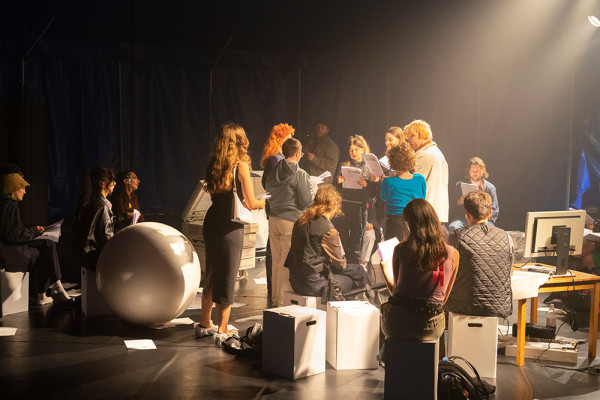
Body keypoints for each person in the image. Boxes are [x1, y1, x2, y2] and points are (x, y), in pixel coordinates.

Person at [197, 122, 266, 343]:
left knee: (212, 273)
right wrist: (264, 203)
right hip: (230, 224)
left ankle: (205, 323)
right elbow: (251, 203)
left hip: (212, 220)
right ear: (239, 141)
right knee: (227, 276)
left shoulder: (213, 165)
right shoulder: (241, 166)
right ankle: (223, 328)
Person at [380, 198, 459, 342]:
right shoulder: (453, 254)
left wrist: (385, 272)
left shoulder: (401, 249)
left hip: (399, 323)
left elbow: (395, 292)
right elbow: (442, 299)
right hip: (432, 326)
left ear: (409, 223)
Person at [285, 185, 374, 300]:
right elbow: (340, 265)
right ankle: (370, 300)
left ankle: (369, 297)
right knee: (354, 278)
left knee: (358, 270)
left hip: (295, 280)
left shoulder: (301, 221)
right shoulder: (328, 229)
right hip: (313, 284)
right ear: (335, 204)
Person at [0, 173, 71, 305]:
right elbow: (12, 235)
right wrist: (34, 231)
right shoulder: (10, 206)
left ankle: (49, 289)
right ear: (14, 188)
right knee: (45, 249)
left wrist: (35, 230)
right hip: (10, 252)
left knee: (47, 243)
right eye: (22, 188)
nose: (25, 192)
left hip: (10, 247)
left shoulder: (7, 204)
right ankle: (49, 288)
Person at [444, 191, 513, 318]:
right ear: (490, 213)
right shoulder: (506, 236)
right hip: (499, 306)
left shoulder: (456, 236)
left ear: (467, 214)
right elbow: (509, 270)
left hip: (462, 305)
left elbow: (447, 270)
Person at [264, 138, 314, 306]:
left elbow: (268, 192)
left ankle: (275, 299)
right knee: (287, 263)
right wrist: (313, 190)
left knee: (276, 261)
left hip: (273, 219)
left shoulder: (272, 172)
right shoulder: (300, 174)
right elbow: (306, 201)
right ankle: (283, 303)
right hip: (290, 221)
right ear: (298, 153)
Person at [260, 123, 295, 305]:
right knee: (273, 249)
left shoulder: (279, 158)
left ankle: (275, 287)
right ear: (280, 139)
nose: (291, 141)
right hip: (277, 207)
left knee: (276, 248)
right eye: (288, 138)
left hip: (280, 206)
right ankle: (273, 288)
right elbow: (268, 182)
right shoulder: (275, 159)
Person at [334, 135, 377, 264]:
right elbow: (335, 187)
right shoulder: (344, 165)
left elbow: (373, 193)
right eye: (351, 150)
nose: (353, 153)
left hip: (360, 206)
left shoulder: (369, 167)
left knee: (357, 237)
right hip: (345, 204)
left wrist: (367, 184)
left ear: (363, 149)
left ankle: (354, 265)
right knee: (343, 235)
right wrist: (338, 181)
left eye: (357, 149)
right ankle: (343, 263)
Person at [404, 120, 449, 224]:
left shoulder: (424, 154)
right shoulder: (438, 153)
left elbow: (412, 183)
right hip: (437, 211)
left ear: (422, 134)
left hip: (425, 212)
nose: (409, 140)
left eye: (412, 136)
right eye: (408, 137)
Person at [380, 142, 426, 242]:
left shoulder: (388, 182)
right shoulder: (420, 179)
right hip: (416, 223)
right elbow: (422, 199)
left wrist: (385, 181)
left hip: (394, 223)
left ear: (392, 162)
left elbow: (382, 197)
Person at [73, 167, 116, 272]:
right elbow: (106, 239)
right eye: (112, 181)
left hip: (84, 254)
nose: (115, 183)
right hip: (94, 256)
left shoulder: (90, 200)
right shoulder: (102, 206)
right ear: (103, 184)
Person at [449, 157, 499, 231]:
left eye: (477, 171)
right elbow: (452, 206)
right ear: (469, 171)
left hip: (483, 219)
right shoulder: (459, 185)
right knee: (453, 227)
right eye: (472, 170)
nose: (475, 173)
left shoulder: (490, 188)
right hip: (464, 218)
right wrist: (460, 201)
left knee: (490, 229)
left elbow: (495, 209)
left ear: (483, 171)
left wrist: (486, 220)